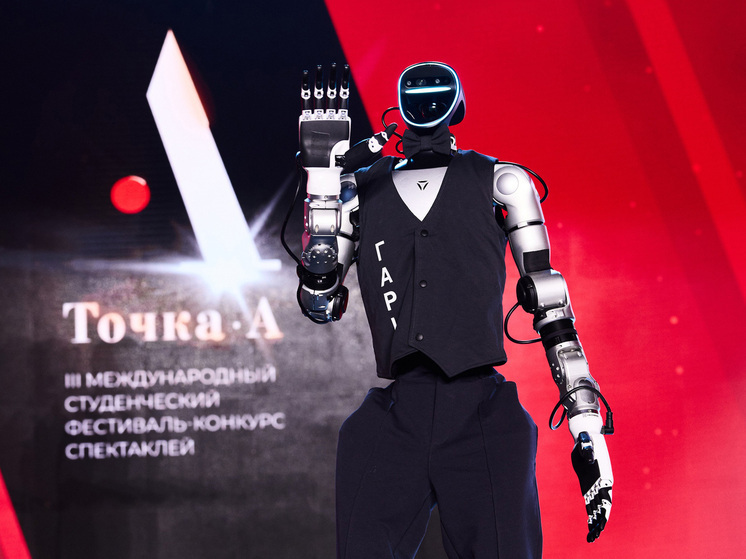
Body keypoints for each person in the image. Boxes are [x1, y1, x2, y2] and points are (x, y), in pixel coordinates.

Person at [292, 61, 613, 559]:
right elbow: (321, 303)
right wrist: (321, 197)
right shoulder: (360, 191)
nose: (426, 103)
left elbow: (549, 301)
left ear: (456, 104)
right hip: (396, 417)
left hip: (481, 413)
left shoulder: (502, 181)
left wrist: (586, 422)